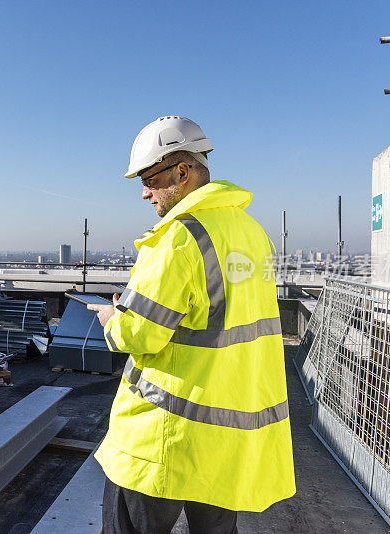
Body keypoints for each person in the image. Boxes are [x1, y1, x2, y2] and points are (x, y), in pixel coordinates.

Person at [87, 116, 295, 534]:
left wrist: (113, 318)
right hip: (226, 439)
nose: (145, 193)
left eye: (150, 179)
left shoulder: (179, 237)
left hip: (164, 434)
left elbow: (140, 334)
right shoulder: (253, 234)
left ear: (183, 171)